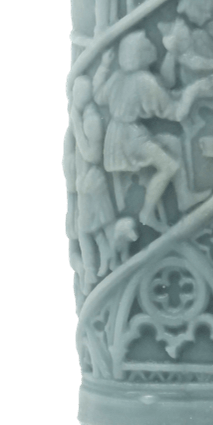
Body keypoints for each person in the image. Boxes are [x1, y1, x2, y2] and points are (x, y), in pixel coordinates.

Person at [98, 32, 211, 225]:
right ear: (139, 53)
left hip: (117, 135)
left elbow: (100, 96)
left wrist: (104, 66)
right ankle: (146, 213)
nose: (152, 46)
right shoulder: (144, 81)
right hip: (130, 138)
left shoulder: (118, 76)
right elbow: (176, 112)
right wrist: (193, 91)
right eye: (147, 45)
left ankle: (184, 198)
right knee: (169, 166)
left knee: (173, 143)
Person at [69, 74, 137, 285]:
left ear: (84, 95)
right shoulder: (85, 115)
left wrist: (77, 126)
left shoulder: (91, 120)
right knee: (97, 227)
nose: (74, 97)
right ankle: (108, 264)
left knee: (89, 228)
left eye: (77, 93)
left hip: (93, 182)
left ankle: (97, 270)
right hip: (86, 183)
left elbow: (92, 155)